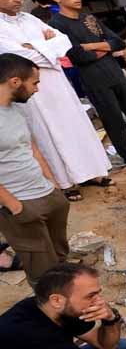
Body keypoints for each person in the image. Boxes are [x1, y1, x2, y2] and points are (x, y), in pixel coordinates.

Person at [0, 0, 112, 203]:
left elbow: (64, 42)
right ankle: (65, 183)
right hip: (31, 90)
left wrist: (36, 47)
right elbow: (18, 59)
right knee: (48, 134)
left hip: (58, 83)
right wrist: (46, 47)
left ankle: (90, 172)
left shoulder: (30, 19)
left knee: (74, 125)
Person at [47, 0, 126, 179]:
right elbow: (77, 55)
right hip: (94, 79)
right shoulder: (57, 25)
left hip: (115, 73)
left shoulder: (89, 18)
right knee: (115, 122)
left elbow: (117, 42)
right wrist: (103, 48)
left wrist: (91, 46)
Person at [0, 54, 70, 285]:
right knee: (43, 272)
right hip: (20, 202)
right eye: (34, 83)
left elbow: (32, 148)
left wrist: (53, 184)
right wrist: (14, 206)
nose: (37, 89)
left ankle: (66, 292)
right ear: (15, 82)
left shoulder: (16, 109)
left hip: (46, 192)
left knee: (59, 256)